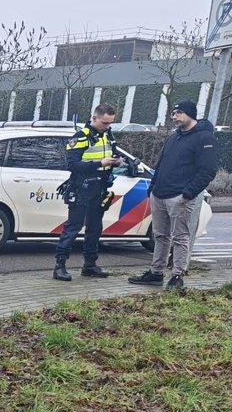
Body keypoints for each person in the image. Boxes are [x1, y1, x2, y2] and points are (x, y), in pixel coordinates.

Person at [128, 100, 218, 292]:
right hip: (160, 194)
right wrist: (153, 187)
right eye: (173, 113)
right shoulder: (174, 137)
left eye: (178, 113)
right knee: (160, 235)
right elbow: (160, 164)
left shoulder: (204, 139)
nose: (174, 117)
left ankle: (177, 275)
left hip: (180, 197)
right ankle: (156, 272)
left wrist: (188, 193)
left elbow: (208, 170)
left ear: (190, 114)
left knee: (180, 237)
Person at [52, 103, 122, 281]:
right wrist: (100, 163)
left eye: (110, 123)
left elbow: (110, 154)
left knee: (95, 228)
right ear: (94, 118)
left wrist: (116, 161)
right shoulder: (81, 137)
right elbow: (72, 165)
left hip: (100, 188)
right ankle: (59, 266)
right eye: (105, 123)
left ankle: (90, 265)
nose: (107, 126)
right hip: (82, 188)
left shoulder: (107, 135)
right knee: (73, 226)